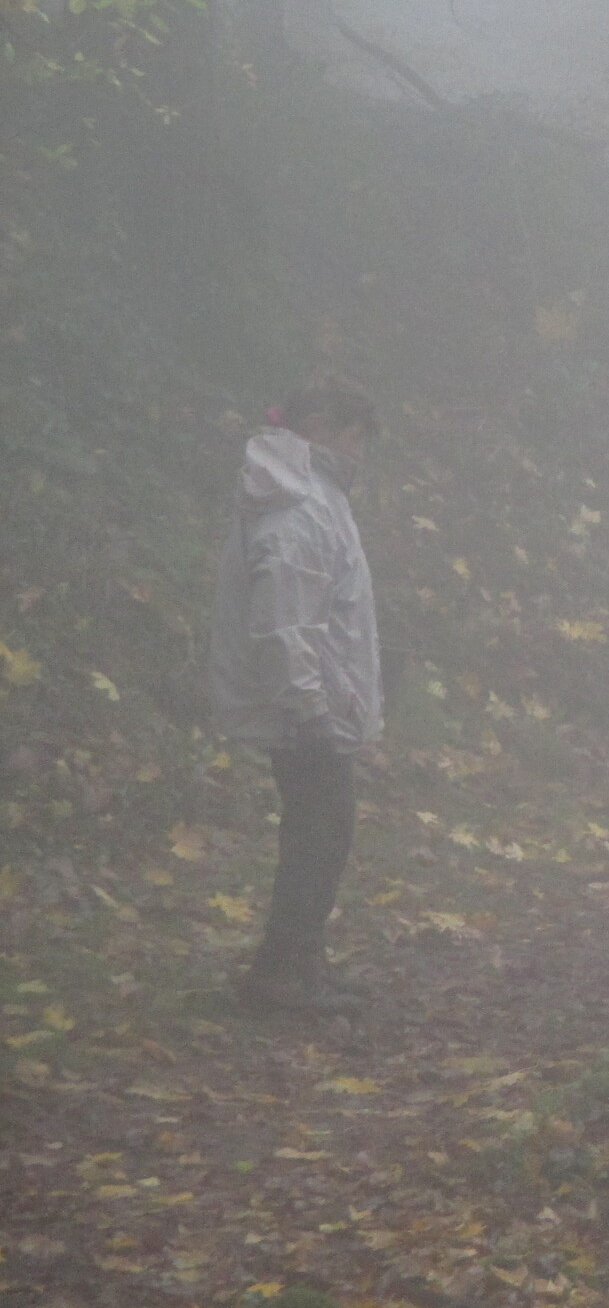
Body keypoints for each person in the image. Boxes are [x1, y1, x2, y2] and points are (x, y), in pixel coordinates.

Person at [209, 376, 382, 1013]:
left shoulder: (309, 495)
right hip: (304, 710)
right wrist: (310, 709)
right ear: (319, 429)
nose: (360, 451)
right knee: (320, 835)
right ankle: (285, 976)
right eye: (353, 436)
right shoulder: (299, 506)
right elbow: (284, 622)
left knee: (320, 833)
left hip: (311, 703)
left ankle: (296, 964)